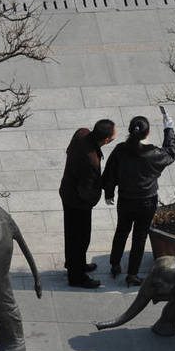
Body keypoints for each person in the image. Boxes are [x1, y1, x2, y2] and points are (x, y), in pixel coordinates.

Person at [102, 112, 175, 287]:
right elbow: (172, 152)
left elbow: (110, 171)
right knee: (139, 237)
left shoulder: (121, 150)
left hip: (125, 200)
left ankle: (115, 264)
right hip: (147, 201)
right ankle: (132, 274)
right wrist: (169, 128)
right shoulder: (154, 154)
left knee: (121, 231)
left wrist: (109, 192)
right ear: (148, 132)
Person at [59, 119, 116, 288]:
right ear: (106, 140)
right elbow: (86, 191)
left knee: (71, 234)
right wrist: (94, 198)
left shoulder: (81, 133)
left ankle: (74, 264)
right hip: (78, 202)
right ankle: (77, 277)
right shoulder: (91, 161)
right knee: (80, 238)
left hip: (67, 191)